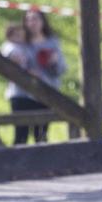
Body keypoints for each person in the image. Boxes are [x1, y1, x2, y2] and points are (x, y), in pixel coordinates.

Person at [7, 8, 66, 145]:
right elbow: (6, 49)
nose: (31, 23)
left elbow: (61, 69)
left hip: (46, 92)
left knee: (41, 135)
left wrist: (54, 62)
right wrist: (14, 58)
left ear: (43, 22)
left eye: (35, 19)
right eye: (28, 19)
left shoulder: (52, 42)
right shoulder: (19, 40)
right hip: (22, 94)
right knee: (21, 135)